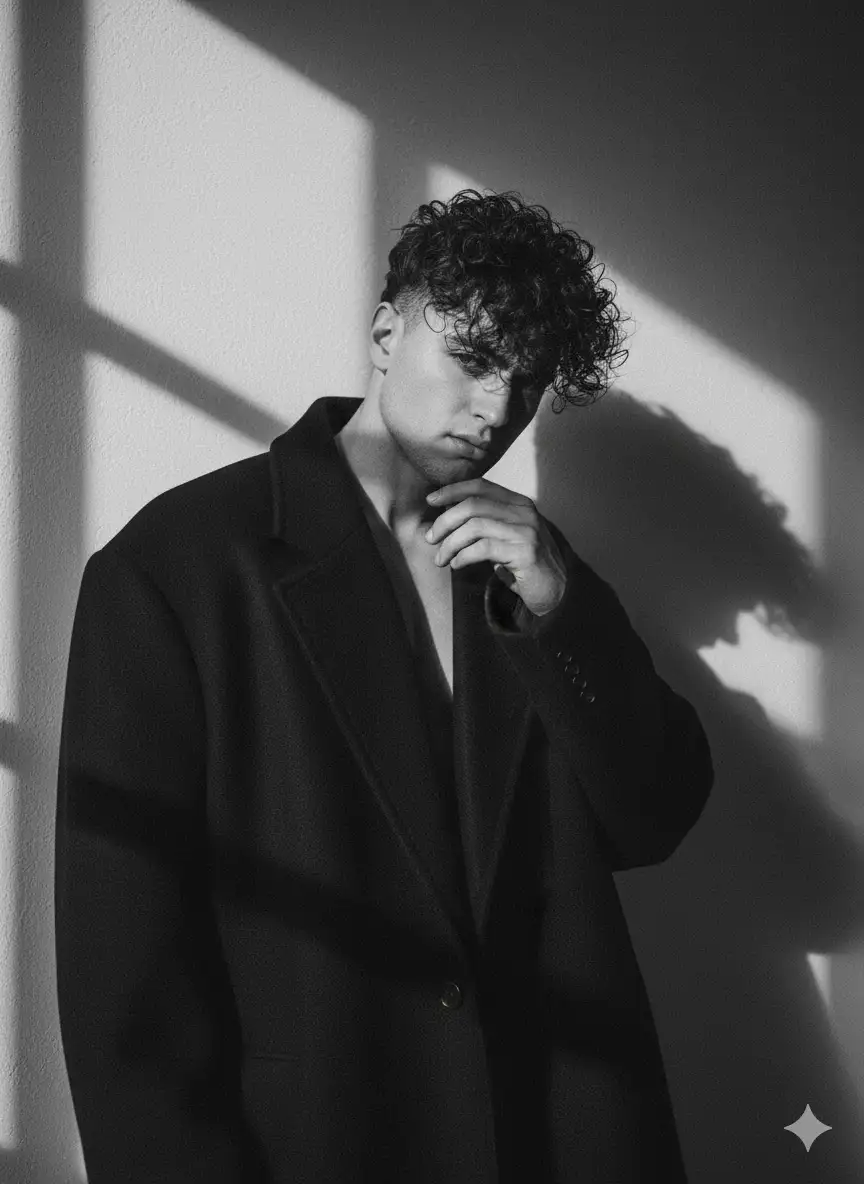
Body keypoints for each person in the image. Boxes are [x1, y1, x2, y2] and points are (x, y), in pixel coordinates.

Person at [54, 188, 714, 1183]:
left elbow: (651, 816)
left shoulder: (528, 568)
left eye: (527, 381)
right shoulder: (176, 569)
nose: (496, 408)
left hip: (551, 1131)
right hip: (320, 1139)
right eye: (475, 358)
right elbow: (125, 975)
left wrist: (561, 609)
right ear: (383, 332)